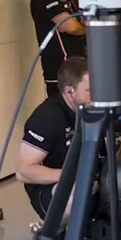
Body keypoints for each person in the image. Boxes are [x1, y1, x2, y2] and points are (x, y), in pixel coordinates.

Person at [19, 57, 91, 220]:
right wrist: (72, 175)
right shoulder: (47, 117)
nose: (96, 95)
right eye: (89, 90)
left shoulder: (89, 108)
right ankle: (51, 235)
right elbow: (24, 172)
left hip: (89, 175)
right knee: (78, 190)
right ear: (70, 91)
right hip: (50, 186)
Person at [30, 0, 86, 97]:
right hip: (60, 70)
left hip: (79, 65)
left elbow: (84, 18)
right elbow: (71, 27)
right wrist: (87, 28)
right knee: (64, 115)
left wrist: (83, 24)